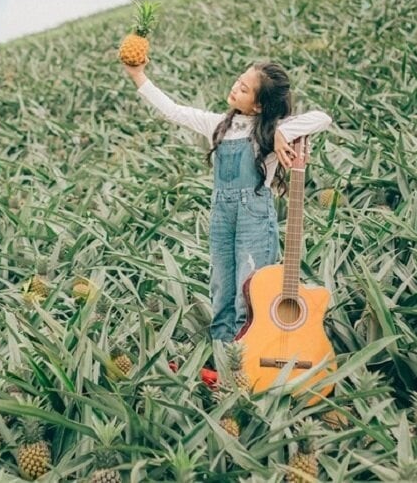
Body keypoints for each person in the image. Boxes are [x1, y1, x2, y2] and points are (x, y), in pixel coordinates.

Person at [122, 59, 333, 342]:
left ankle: (249, 358)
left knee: (251, 291)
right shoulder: (219, 125)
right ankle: (222, 356)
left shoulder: (268, 130)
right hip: (221, 217)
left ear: (258, 106)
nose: (235, 88)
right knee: (221, 286)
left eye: (244, 89)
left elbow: (322, 118)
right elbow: (173, 111)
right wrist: (138, 75)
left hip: (255, 219)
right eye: (238, 81)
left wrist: (283, 132)